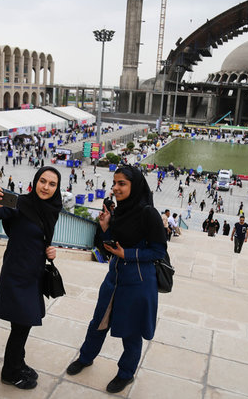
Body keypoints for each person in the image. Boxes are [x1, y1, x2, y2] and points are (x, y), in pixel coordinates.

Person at [66, 166, 167, 394]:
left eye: (122, 183)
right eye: (114, 183)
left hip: (139, 282)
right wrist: (104, 228)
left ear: (135, 185)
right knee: (98, 321)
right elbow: (111, 247)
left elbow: (158, 251)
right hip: (114, 276)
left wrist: (127, 255)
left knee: (131, 331)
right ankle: (85, 358)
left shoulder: (148, 213)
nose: (115, 188)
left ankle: (125, 374)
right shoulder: (120, 211)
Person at [0, 167, 62, 390]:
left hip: (34, 274)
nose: (46, 187)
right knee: (21, 326)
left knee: (23, 325)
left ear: (57, 188)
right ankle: (10, 373)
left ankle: (18, 362)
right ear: (35, 181)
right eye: (42, 181)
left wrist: (49, 249)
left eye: (52, 184)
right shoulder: (20, 204)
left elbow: (40, 235)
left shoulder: (51, 208)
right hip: (17, 274)